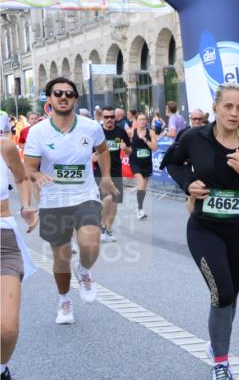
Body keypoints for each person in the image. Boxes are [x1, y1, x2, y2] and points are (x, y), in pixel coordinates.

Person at [164, 83, 239, 380]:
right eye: (229, 106)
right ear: (215, 107)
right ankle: (221, 364)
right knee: (222, 292)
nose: (235, 113)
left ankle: (217, 346)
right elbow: (172, 162)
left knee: (230, 296)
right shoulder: (194, 137)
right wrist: (188, 184)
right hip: (204, 227)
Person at [24, 77, 119, 325]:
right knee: (62, 256)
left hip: (85, 195)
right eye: (57, 93)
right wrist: (37, 175)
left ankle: (85, 270)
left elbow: (104, 150)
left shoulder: (90, 127)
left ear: (75, 98)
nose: (63, 97)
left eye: (69, 93)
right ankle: (64, 299)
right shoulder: (38, 132)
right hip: (53, 200)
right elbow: (28, 168)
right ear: (50, 99)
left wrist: (106, 177)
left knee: (90, 243)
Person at [1, 136, 38, 380]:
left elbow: (23, 179)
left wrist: (27, 206)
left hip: (2, 240)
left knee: (7, 328)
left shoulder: (5, 147)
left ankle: (1, 370)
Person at [95, 108, 131, 242]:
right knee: (107, 199)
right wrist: (91, 156)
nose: (109, 119)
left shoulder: (121, 132)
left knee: (115, 203)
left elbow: (129, 151)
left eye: (111, 116)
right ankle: (102, 226)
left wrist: (125, 148)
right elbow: (86, 150)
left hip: (116, 170)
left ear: (115, 118)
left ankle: (108, 230)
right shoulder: (97, 132)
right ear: (102, 118)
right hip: (101, 171)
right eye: (106, 117)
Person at [128, 112, 157, 219]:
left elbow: (154, 147)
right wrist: (123, 147)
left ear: (147, 121)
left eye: (144, 119)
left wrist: (144, 139)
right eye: (140, 119)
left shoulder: (151, 132)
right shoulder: (131, 132)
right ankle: (140, 210)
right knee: (141, 183)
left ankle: (140, 207)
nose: (142, 121)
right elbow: (121, 139)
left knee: (143, 187)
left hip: (146, 163)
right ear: (136, 121)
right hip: (135, 162)